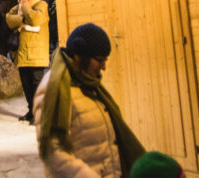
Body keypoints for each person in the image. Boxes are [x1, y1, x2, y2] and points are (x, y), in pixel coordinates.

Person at [35, 23, 146, 177]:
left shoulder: (90, 85)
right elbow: (54, 152)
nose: (104, 67)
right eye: (100, 60)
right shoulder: (53, 90)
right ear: (80, 56)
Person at [6, 0, 50, 123]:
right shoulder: (18, 6)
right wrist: (23, 18)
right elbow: (9, 19)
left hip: (36, 53)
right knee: (27, 86)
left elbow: (35, 19)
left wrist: (25, 8)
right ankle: (31, 111)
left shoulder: (41, 4)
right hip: (22, 53)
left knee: (37, 86)